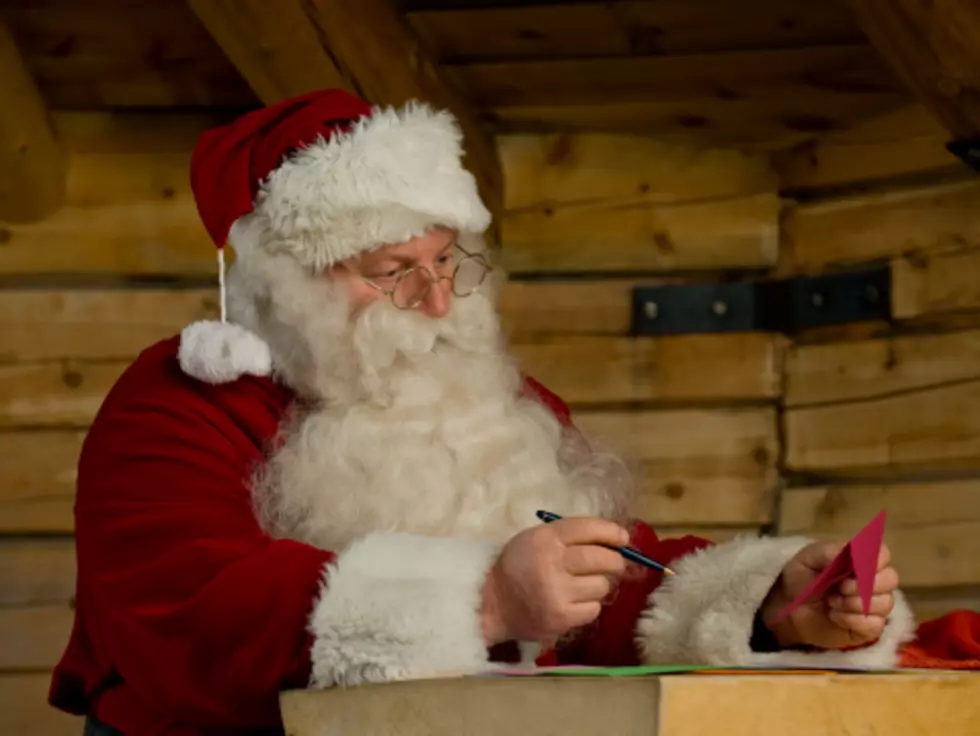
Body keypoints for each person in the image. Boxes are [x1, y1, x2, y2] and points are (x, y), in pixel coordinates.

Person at [47, 88, 965, 736]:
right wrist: (486, 595)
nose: (438, 303)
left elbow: (600, 576)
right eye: (390, 272)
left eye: (445, 261)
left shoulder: (492, 394)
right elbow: (188, 620)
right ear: (282, 285)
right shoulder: (176, 405)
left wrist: (773, 606)